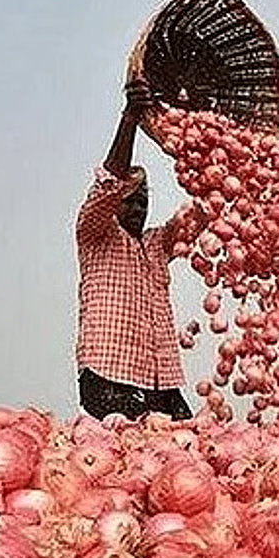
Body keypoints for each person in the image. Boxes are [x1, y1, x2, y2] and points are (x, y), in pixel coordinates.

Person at [74, 80, 192, 421]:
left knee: (185, 457)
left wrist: (226, 165)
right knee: (128, 463)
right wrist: (130, 119)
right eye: (131, 201)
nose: (139, 208)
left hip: (162, 381)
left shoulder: (157, 244)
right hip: (110, 375)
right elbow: (108, 183)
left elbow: (201, 213)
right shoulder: (95, 233)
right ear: (115, 204)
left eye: (144, 201)